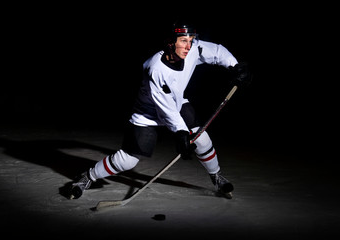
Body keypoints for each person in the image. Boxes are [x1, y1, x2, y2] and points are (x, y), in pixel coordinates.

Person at [70, 21, 250, 200]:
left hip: (176, 104)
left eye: (191, 40)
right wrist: (180, 133)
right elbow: (167, 110)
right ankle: (88, 177)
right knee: (128, 160)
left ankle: (216, 176)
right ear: (170, 43)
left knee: (202, 139)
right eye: (183, 41)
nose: (188, 46)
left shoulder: (193, 49)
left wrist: (235, 66)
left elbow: (217, 52)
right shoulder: (155, 68)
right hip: (148, 114)